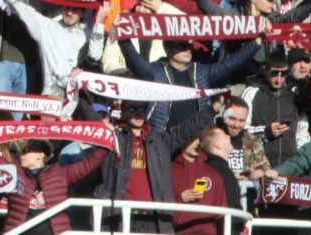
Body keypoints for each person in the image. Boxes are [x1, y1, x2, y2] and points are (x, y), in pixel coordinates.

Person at [97, 97, 226, 234]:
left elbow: (187, 127)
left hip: (154, 219)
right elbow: (86, 117)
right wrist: (76, 85)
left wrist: (214, 107)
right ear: (122, 112)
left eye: (143, 108)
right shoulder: (112, 138)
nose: (139, 113)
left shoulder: (160, 142)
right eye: (133, 108)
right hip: (120, 217)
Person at [119, 35, 259, 132]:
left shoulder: (201, 71)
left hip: (197, 139)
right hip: (164, 139)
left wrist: (257, 42)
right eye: (182, 45)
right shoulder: (156, 71)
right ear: (167, 48)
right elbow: (135, 62)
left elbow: (231, 64)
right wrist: (123, 38)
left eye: (189, 45)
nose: (188, 49)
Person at [0, 138, 107, 234]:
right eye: (22, 150)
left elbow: (89, 164)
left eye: (27, 150)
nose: (22, 154)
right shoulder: (14, 173)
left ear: (40, 155)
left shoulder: (60, 173)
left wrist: (105, 141)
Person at [241, 53, 309, 166]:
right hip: (259, 165)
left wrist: (299, 156)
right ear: (265, 70)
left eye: (283, 74)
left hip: (290, 166)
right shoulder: (251, 93)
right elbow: (241, 130)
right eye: (274, 73)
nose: (279, 79)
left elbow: (302, 127)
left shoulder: (294, 93)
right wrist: (266, 132)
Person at [170, 133, 227, 235]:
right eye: (193, 138)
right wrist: (180, 198)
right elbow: (158, 204)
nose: (197, 143)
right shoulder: (168, 171)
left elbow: (222, 215)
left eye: (200, 139)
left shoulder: (213, 174)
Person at [222, 96, 272, 180]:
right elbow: (202, 173)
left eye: (241, 120)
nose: (236, 125)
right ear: (224, 116)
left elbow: (267, 170)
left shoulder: (253, 141)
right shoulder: (210, 139)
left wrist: (261, 173)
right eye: (232, 119)